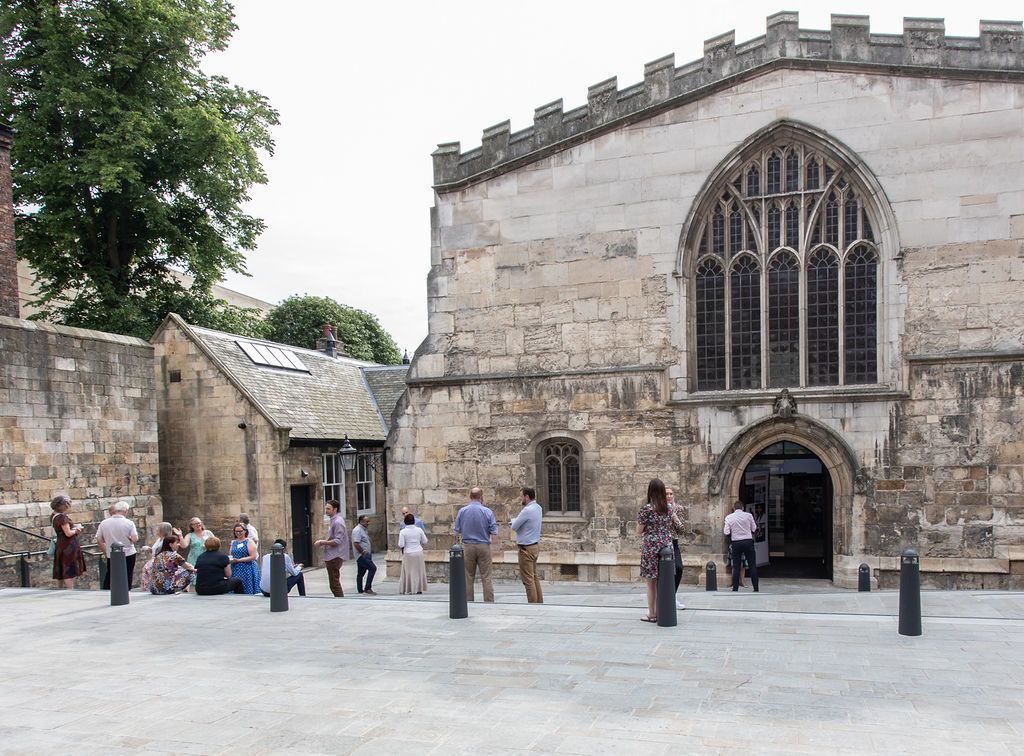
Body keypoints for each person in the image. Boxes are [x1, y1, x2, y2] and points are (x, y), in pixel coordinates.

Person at [635, 479, 683, 622]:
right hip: (667, 546)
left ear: (650, 491)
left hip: (651, 546)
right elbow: (676, 525)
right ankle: (664, 610)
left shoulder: (647, 509)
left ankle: (652, 614)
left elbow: (639, 531)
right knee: (664, 580)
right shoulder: (669, 508)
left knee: (651, 583)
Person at [453, 487, 498, 603]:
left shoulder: (462, 511)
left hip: (468, 546)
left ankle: (468, 601)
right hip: (483, 545)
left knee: (468, 576)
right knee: (486, 576)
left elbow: (456, 530)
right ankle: (488, 602)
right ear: (481, 497)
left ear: (470, 497)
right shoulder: (487, 511)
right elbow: (494, 531)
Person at [94, 500, 139, 589]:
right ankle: (126, 591)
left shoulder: (104, 523)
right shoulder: (129, 523)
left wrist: (106, 551)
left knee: (111, 574)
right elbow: (135, 539)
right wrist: (129, 538)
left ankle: (106, 591)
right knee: (127, 574)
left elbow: (99, 539)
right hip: (128, 552)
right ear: (125, 511)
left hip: (112, 553)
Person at [510, 486, 543, 604]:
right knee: (534, 577)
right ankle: (539, 602)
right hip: (535, 546)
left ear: (527, 497)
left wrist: (513, 521)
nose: (521, 499)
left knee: (528, 580)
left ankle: (533, 605)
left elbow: (514, 526)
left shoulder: (527, 510)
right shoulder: (538, 508)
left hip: (526, 549)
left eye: (521, 496)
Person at [50, 495, 86, 589]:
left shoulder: (54, 515)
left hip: (60, 544)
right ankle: (70, 590)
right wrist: (77, 530)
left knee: (61, 567)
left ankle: (60, 589)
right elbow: (68, 533)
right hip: (68, 546)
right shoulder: (62, 517)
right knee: (68, 569)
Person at [314, 500, 350, 597]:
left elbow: (337, 541)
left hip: (335, 556)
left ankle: (340, 600)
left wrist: (322, 542)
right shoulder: (333, 520)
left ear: (335, 509)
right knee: (334, 582)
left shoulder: (338, 522)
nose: (326, 511)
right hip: (332, 555)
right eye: (326, 508)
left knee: (334, 583)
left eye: (328, 509)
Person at [724, 500, 759, 592]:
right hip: (748, 541)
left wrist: (733, 534)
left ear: (733, 508)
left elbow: (726, 532)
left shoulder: (729, 517)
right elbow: (754, 528)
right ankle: (756, 588)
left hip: (736, 542)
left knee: (736, 566)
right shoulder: (749, 516)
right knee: (752, 565)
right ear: (743, 508)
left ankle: (735, 588)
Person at [398, 513, 428, 594]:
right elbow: (425, 541)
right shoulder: (419, 530)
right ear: (414, 521)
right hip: (418, 552)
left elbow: (401, 544)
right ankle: (418, 588)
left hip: (408, 553)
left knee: (408, 571)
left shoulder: (403, 532)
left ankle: (409, 588)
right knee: (418, 571)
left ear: (405, 522)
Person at [228, 523, 260, 594]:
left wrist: (239, 560)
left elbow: (253, 556)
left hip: (247, 569)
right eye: (236, 531)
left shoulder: (249, 541)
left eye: (240, 531)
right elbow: (231, 555)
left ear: (245, 531)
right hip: (235, 569)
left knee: (247, 588)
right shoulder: (233, 543)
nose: (238, 533)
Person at [666, 487, 684, 600]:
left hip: (674, 541)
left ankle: (672, 596)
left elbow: (682, 530)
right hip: (662, 543)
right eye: (666, 494)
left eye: (671, 494)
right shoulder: (659, 509)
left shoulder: (679, 509)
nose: (669, 496)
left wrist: (674, 517)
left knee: (678, 568)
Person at [352, 515, 377, 596]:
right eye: (367, 521)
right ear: (361, 521)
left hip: (365, 554)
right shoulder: (358, 530)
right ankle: (367, 588)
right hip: (361, 555)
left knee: (361, 572)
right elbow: (356, 543)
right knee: (372, 568)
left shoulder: (363, 530)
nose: (368, 523)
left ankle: (360, 589)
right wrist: (362, 552)